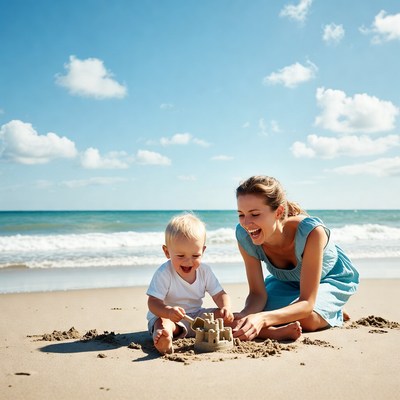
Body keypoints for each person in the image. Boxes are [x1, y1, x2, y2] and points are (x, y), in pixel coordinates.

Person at [232, 175, 359, 341]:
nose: (246, 223)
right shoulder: (244, 236)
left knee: (306, 319)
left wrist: (262, 319)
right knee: (252, 316)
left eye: (255, 214)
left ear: (278, 212)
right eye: (241, 214)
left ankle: (331, 310)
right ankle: (324, 309)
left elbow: (306, 302)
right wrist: (245, 315)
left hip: (328, 279)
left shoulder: (311, 233)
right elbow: (257, 294)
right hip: (285, 282)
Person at [146, 212, 234, 354]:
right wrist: (168, 311)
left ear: (203, 251)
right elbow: (153, 303)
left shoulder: (204, 271)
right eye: (180, 256)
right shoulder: (164, 273)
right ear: (167, 252)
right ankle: (164, 338)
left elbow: (220, 294)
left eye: (195, 255)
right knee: (163, 324)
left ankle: (233, 330)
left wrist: (225, 308)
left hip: (196, 316)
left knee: (221, 318)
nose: (188, 261)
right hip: (171, 317)